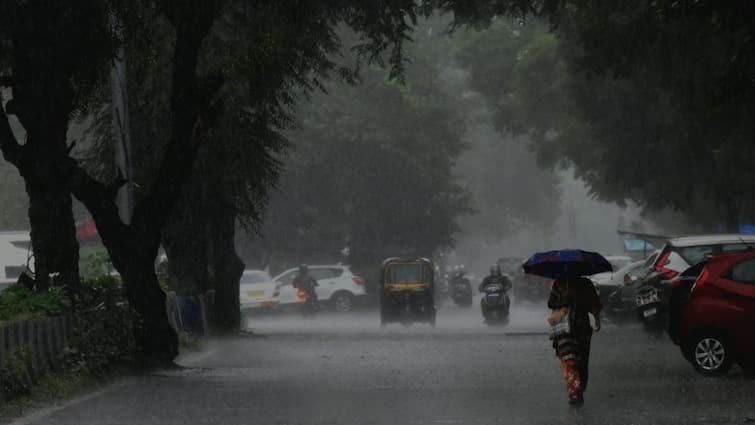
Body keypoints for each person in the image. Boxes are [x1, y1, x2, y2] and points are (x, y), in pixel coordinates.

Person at [547, 275, 602, 406]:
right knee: (569, 360)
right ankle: (574, 393)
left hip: (582, 329)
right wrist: (564, 300)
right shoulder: (559, 283)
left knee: (582, 362)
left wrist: (596, 318)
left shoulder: (585, 284)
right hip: (564, 330)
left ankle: (579, 389)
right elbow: (551, 303)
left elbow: (594, 303)